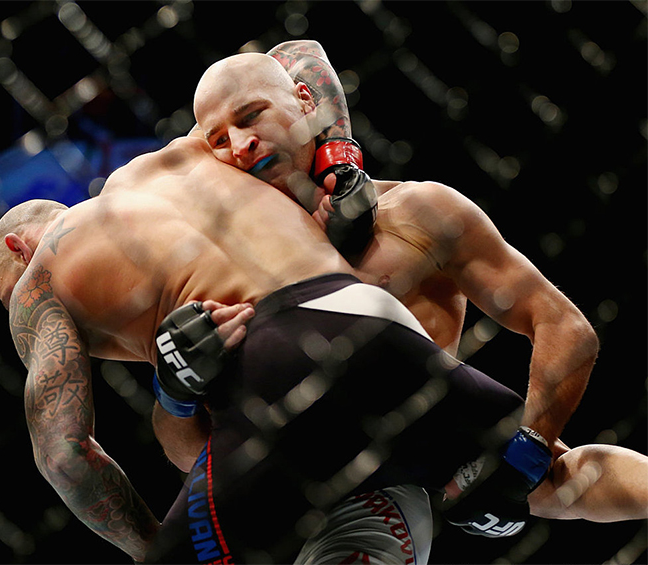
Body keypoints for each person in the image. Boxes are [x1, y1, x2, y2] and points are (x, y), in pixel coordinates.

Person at [0, 134, 544, 563]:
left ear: (19, 248)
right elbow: (297, 59)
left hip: (276, 370)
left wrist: (157, 551)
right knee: (556, 477)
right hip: (376, 327)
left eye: (8, 293)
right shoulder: (195, 154)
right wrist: (338, 159)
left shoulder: (43, 281)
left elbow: (64, 456)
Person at [188, 40, 648, 524]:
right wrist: (173, 394)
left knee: (560, 478)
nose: (241, 145)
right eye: (218, 140)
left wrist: (526, 452)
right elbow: (194, 449)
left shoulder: (415, 214)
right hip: (297, 492)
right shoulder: (219, 267)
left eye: (252, 116)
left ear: (306, 102)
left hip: (428, 463)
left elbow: (564, 326)